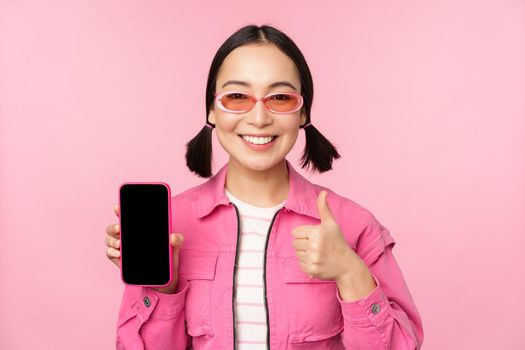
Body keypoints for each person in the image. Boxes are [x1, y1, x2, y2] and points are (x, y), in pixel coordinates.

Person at [105, 24, 424, 349]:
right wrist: (164, 288)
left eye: (281, 98)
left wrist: (350, 273)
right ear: (212, 110)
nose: (259, 118)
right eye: (237, 96)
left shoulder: (354, 226)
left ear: (303, 113)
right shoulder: (171, 225)